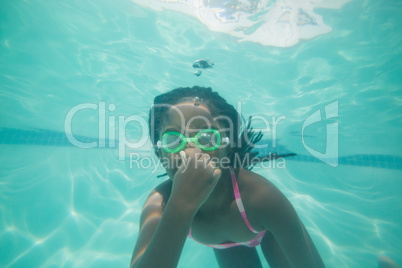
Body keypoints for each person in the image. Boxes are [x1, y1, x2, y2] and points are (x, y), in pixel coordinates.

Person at [130, 86, 325, 268]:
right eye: (173, 139)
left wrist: (183, 202)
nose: (190, 151)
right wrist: (181, 204)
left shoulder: (261, 197)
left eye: (206, 138)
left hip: (261, 228)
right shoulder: (161, 203)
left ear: (228, 146)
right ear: (159, 153)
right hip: (223, 243)